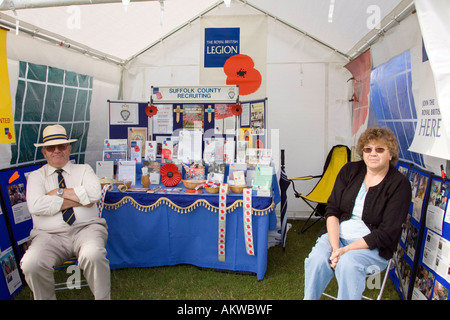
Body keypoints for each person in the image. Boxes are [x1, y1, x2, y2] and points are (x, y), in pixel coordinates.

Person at [304, 126, 411, 300]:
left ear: (390, 154)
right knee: (316, 259)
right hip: (338, 238)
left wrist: (345, 250)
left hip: (372, 247)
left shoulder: (400, 185)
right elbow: (332, 210)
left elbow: (387, 233)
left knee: (348, 264)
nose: (373, 153)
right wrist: (336, 247)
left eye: (380, 149)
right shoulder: (349, 170)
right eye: (368, 149)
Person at [21, 124, 110, 300]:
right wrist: (79, 198)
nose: (56, 151)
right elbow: (36, 206)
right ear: (44, 152)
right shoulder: (36, 177)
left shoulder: (84, 169)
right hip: (48, 235)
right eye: (51, 148)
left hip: (87, 229)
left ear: (68, 148)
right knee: (31, 263)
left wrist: (57, 193)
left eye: (61, 146)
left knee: (93, 254)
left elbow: (94, 194)